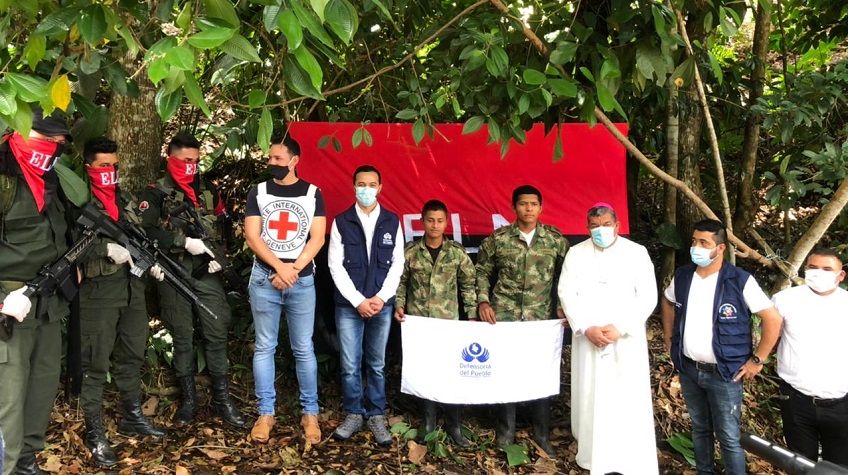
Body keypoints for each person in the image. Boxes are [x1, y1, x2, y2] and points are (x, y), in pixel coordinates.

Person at [138, 133, 246, 428]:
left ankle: (223, 400)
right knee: (182, 335)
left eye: (196, 161)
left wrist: (221, 258)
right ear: (170, 157)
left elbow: (224, 225)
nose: (191, 166)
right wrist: (182, 241)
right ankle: (188, 401)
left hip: (205, 271)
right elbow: (143, 232)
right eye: (186, 160)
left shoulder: (208, 190)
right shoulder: (155, 194)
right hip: (173, 270)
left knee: (216, 329)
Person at [660, 219, 782, 475]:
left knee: (728, 437)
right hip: (689, 368)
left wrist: (758, 360)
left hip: (725, 373)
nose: (697, 247)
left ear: (721, 248)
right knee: (700, 429)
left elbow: (772, 319)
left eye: (704, 242)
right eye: (694, 241)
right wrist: (669, 339)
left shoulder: (738, 280)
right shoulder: (683, 276)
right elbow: (668, 302)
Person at [74, 137, 168, 467]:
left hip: (131, 291)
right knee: (95, 364)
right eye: (103, 166)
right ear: (88, 166)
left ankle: (131, 416)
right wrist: (103, 250)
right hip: (97, 293)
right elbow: (64, 244)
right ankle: (95, 433)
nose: (109, 172)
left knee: (131, 353)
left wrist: (148, 261)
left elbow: (138, 236)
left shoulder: (124, 199)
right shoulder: (76, 198)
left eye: (114, 166)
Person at [557, 202, 658, 474]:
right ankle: (591, 457)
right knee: (590, 393)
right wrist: (586, 327)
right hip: (588, 338)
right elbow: (566, 293)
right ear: (587, 227)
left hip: (625, 340)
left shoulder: (637, 253)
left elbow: (648, 296)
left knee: (627, 395)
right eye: (594, 226)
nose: (600, 230)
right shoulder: (576, 254)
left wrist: (621, 327)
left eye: (606, 225)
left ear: (617, 226)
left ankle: (630, 459)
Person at [0, 108, 73, 475]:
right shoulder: (4, 181)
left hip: (47, 305)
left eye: (59, 144)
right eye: (46, 140)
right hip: (10, 308)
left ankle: (27, 461)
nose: (53, 149)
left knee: (41, 388)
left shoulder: (49, 180)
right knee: (7, 401)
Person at [244, 135, 326, 445]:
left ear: (294, 160)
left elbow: (317, 238)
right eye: (270, 158)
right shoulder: (259, 192)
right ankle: (266, 413)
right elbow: (253, 236)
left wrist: (293, 269)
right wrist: (281, 268)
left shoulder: (313, 193)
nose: (272, 164)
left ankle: (310, 414)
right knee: (265, 346)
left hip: (301, 280)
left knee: (303, 348)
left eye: (278, 159)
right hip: (266, 279)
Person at [475, 184, 568, 456]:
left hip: (541, 319)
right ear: (514, 207)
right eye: (523, 204)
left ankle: (542, 434)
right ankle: (506, 433)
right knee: (507, 372)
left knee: (542, 374)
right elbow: (481, 271)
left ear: (541, 208)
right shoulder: (499, 239)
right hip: (504, 317)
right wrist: (483, 301)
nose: (528, 209)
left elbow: (570, 275)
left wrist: (562, 306)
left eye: (533, 204)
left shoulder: (554, 240)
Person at [327, 165, 404, 446]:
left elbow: (398, 265)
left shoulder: (392, 221)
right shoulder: (341, 221)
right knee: (349, 364)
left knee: (377, 363)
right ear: (353, 186)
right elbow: (334, 265)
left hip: (382, 305)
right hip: (349, 306)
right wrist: (358, 300)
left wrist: (381, 298)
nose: (366, 189)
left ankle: (375, 415)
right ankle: (353, 413)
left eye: (372, 184)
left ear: (380, 187)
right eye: (361, 184)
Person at [394, 200, 476, 448]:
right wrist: (399, 303)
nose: (435, 225)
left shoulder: (456, 253)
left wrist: (472, 315)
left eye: (440, 220)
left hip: (448, 323)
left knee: (451, 374)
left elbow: (468, 285)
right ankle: (428, 423)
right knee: (424, 372)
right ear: (422, 220)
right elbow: (400, 281)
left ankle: (454, 424)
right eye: (430, 220)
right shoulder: (410, 252)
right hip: (418, 322)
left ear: (447, 222)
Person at [771, 248, 848, 466]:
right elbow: (772, 340)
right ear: (805, 269)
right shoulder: (784, 299)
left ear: (840, 275)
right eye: (813, 267)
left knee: (839, 466)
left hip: (841, 402)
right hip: (796, 398)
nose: (818, 273)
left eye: (827, 269)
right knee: (800, 464)